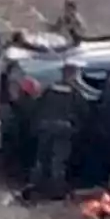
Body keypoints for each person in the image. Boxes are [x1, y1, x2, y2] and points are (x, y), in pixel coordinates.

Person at [29, 61, 88, 201]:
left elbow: (37, 106)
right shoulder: (74, 92)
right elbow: (84, 111)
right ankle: (57, 191)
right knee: (58, 160)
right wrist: (76, 128)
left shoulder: (50, 88)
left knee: (42, 158)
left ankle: (34, 186)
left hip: (45, 127)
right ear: (73, 75)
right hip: (63, 129)